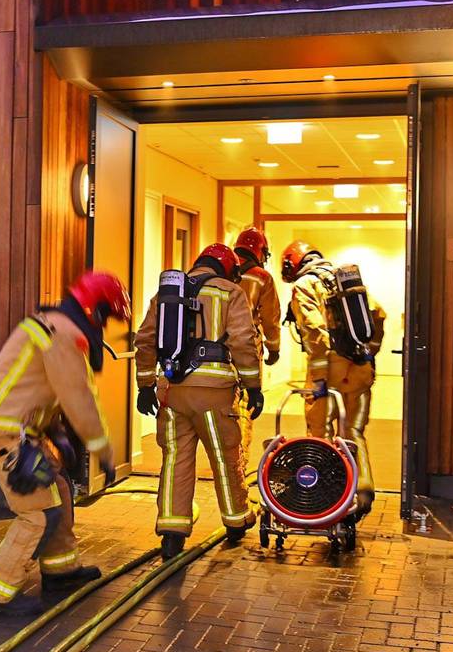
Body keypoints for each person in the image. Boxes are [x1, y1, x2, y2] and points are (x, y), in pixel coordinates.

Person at [0, 272, 128, 616]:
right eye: (107, 317)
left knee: (59, 490)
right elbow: (79, 400)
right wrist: (104, 453)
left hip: (18, 429)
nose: (106, 327)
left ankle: (61, 571)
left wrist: (55, 434)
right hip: (6, 432)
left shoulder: (54, 325)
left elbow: (39, 387)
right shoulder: (65, 336)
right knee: (38, 513)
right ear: (95, 311)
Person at [134, 243, 263, 559]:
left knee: (175, 458)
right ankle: (236, 521)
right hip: (214, 393)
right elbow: (244, 341)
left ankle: (171, 532)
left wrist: (145, 386)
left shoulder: (168, 293)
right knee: (224, 455)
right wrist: (254, 385)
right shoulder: (230, 292)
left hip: (172, 391)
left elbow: (145, 339)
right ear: (229, 269)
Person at [281, 240, 386, 517]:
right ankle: (362, 492)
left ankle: (328, 496)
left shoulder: (305, 286)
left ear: (294, 265)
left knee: (321, 435)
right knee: (353, 432)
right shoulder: (345, 280)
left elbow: (315, 333)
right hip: (360, 367)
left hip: (330, 371)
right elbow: (378, 315)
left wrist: (318, 378)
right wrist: (368, 353)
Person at [232, 227, 281, 477]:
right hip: (247, 353)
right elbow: (270, 319)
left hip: (211, 355)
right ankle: (237, 469)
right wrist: (274, 349)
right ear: (261, 251)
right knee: (243, 409)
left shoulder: (222, 270)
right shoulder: (262, 277)